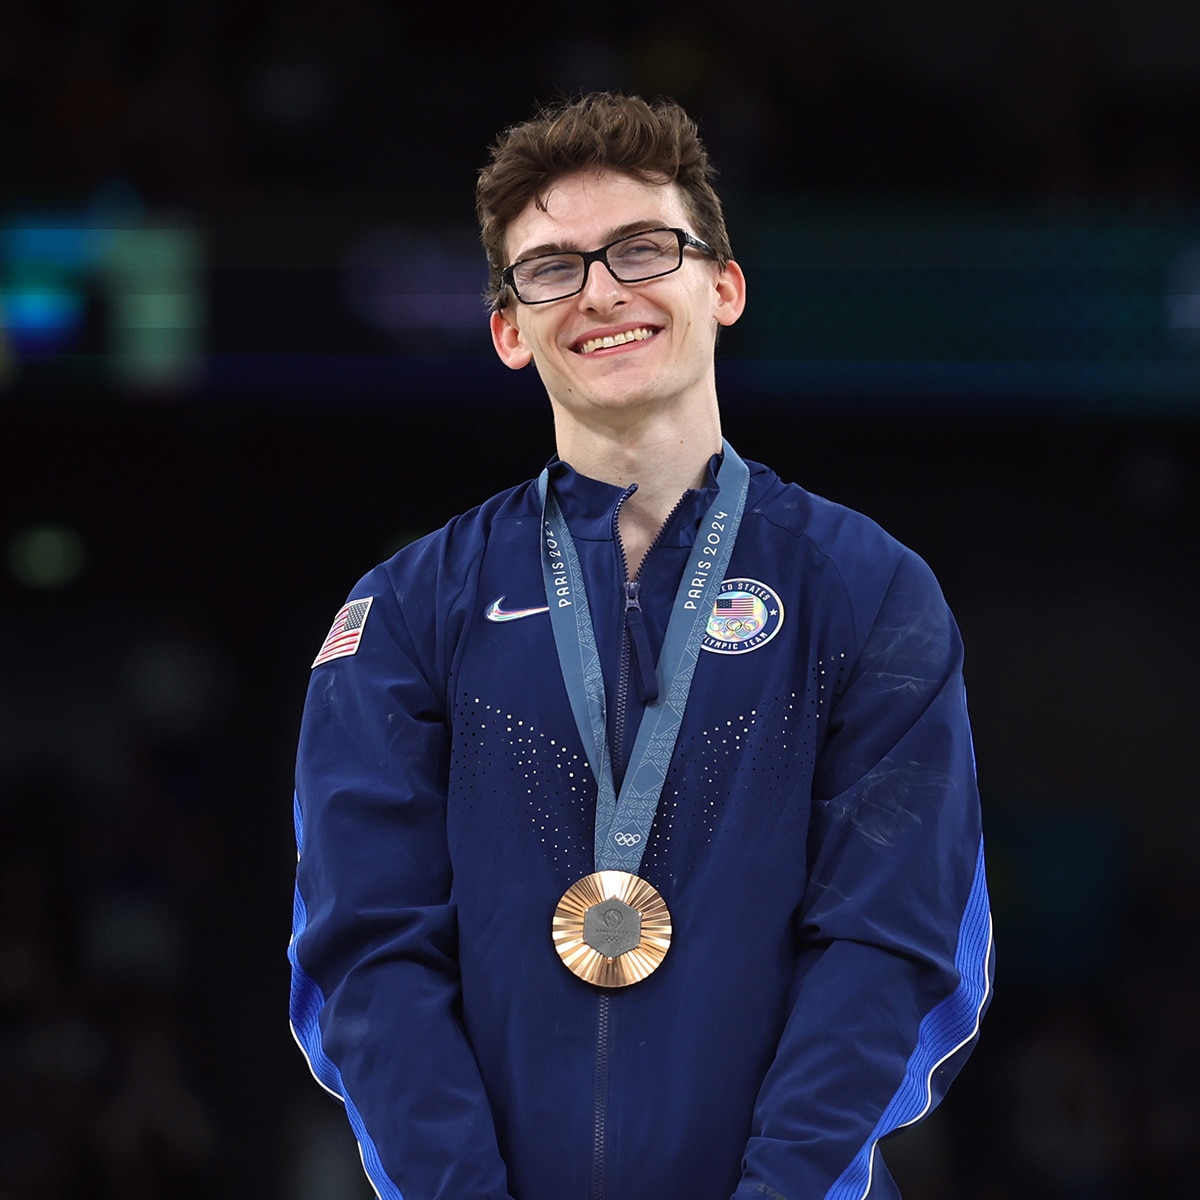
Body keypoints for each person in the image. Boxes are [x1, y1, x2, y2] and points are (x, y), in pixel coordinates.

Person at [288, 92, 994, 1200]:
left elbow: (894, 945)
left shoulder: (866, 591)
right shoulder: (407, 613)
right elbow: (369, 961)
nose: (602, 291)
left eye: (642, 249)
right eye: (551, 268)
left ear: (724, 284)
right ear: (510, 332)